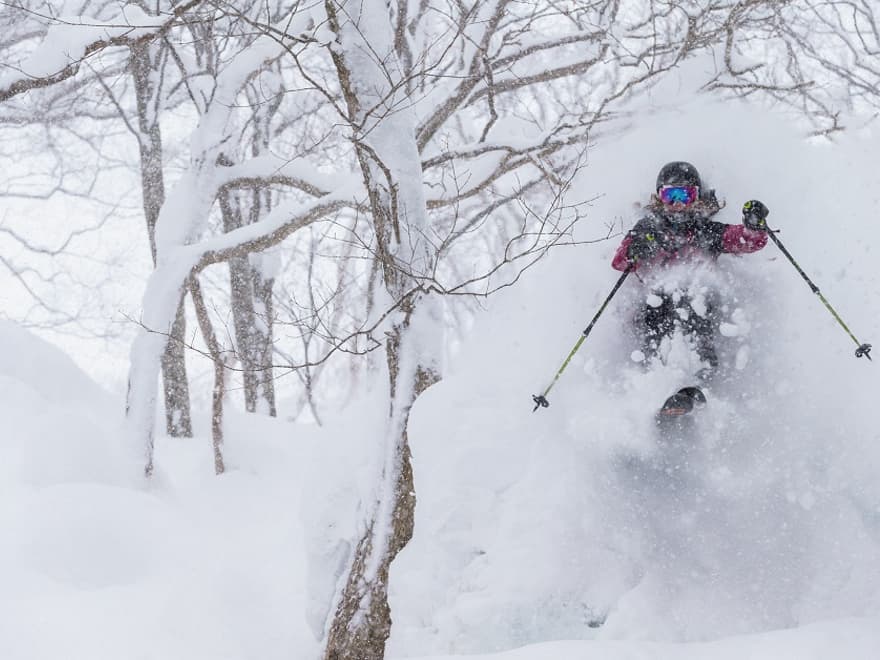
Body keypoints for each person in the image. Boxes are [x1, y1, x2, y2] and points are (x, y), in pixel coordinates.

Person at [611, 161, 770, 372]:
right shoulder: (649, 228)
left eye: (685, 196)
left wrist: (754, 227)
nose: (678, 204)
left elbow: (742, 240)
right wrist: (637, 249)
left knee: (695, 298)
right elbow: (619, 262)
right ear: (660, 198)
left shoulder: (704, 230)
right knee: (658, 303)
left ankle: (699, 373)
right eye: (671, 196)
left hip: (699, 300)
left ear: (696, 199)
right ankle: (654, 372)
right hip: (654, 303)